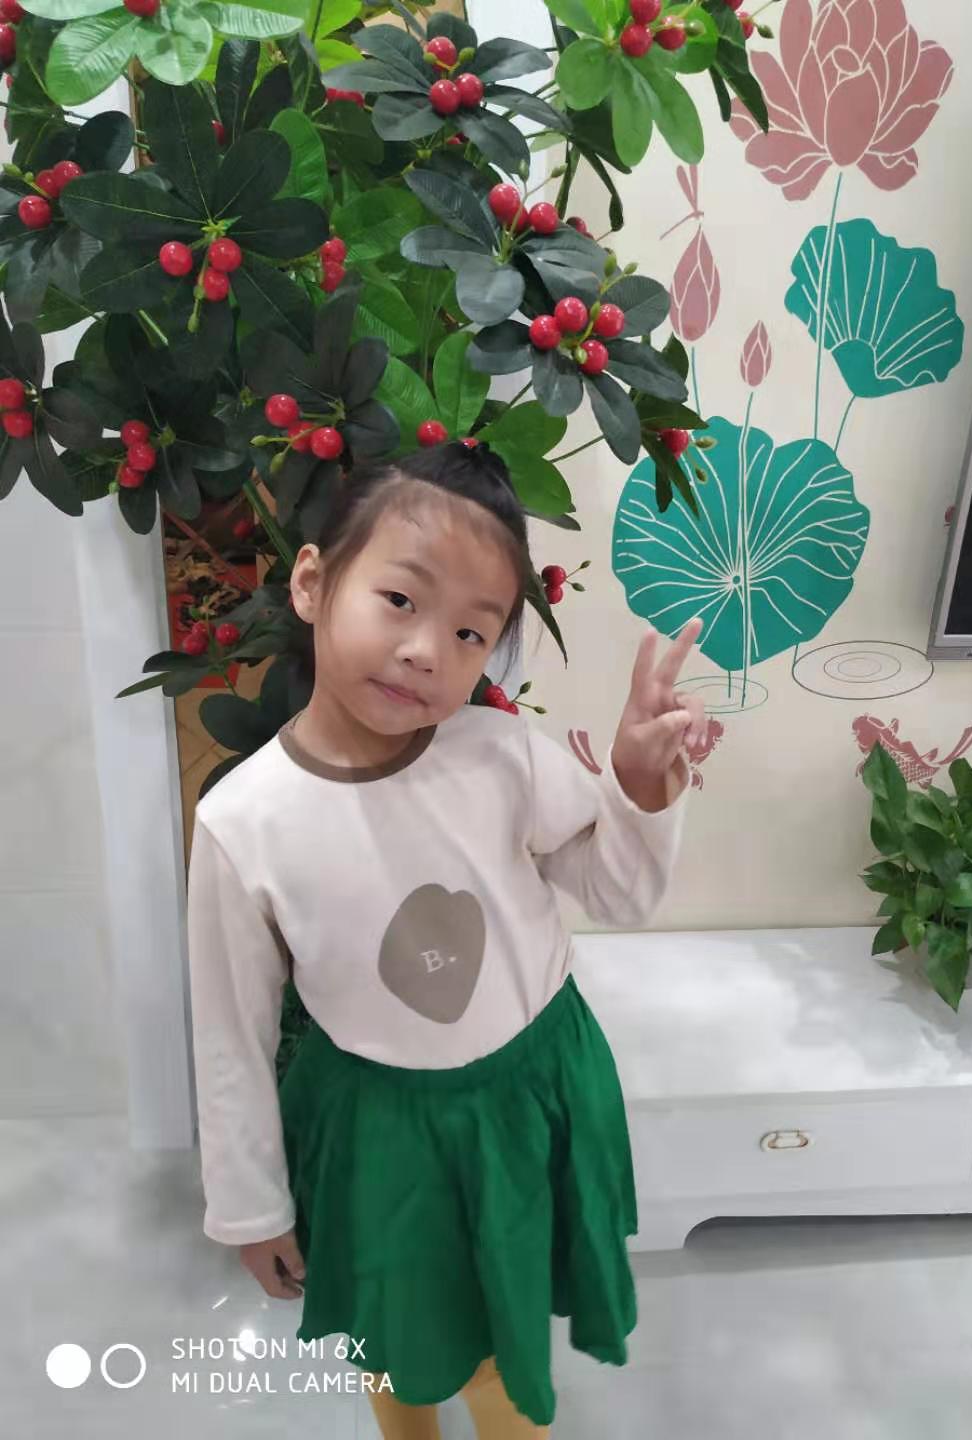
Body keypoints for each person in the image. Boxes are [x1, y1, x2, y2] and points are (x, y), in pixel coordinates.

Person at [186, 440, 706, 1438]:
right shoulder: (243, 822)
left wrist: (640, 787)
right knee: (394, 1333)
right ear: (312, 582)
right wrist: (251, 1208)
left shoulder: (502, 755)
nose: (429, 649)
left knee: (498, 1350)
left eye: (472, 632)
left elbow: (619, 893)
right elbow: (229, 1035)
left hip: (529, 1094)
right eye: (399, 600)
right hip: (376, 1125)